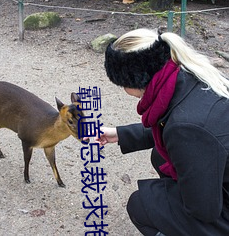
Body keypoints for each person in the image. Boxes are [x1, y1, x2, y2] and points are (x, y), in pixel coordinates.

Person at [95, 28, 229, 235]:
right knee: (160, 155)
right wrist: (120, 134)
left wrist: (168, 198)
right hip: (219, 169)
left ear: (134, 80)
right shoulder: (189, 73)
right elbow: (172, 124)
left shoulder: (186, 129)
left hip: (218, 207)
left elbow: (204, 210)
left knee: (141, 205)